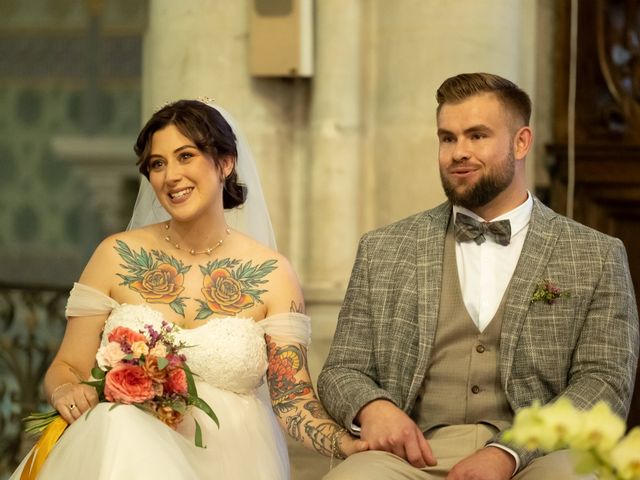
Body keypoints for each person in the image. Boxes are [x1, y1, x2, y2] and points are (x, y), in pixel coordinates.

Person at [11, 100, 366, 479]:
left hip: (231, 461)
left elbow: (292, 398)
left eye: (185, 156)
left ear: (225, 163)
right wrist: (66, 390)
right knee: (121, 425)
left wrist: (350, 444)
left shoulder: (272, 274)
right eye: (158, 164)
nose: (170, 176)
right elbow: (67, 366)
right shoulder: (116, 255)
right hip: (121, 447)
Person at [317, 73, 639, 480]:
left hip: (539, 455)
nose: (458, 153)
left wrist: (508, 452)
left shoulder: (595, 254)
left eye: (477, 136)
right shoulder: (384, 249)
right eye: (447, 138)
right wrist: (373, 407)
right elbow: (342, 368)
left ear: (521, 142)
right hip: (412, 455)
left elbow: (604, 384)